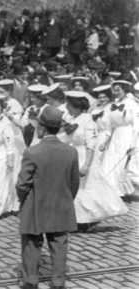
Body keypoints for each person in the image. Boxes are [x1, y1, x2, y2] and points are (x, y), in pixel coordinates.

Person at [16, 105, 80, 289]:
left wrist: (23, 201)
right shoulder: (71, 151)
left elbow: (23, 183)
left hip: (35, 204)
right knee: (59, 242)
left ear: (41, 128)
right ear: (58, 128)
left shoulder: (32, 152)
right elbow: (74, 182)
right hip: (62, 203)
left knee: (31, 242)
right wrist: (66, 199)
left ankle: (30, 280)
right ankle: (58, 281)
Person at [62, 91, 127, 231]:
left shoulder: (88, 121)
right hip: (73, 156)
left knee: (86, 188)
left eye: (68, 104)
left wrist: (87, 164)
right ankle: (79, 219)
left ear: (76, 105)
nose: (66, 107)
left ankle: (86, 219)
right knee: (76, 189)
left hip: (84, 157)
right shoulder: (74, 119)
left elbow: (91, 145)